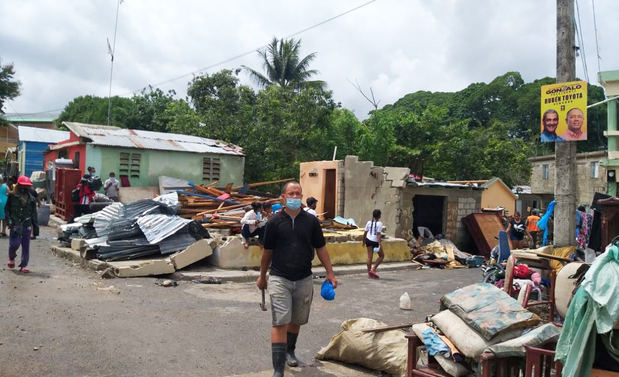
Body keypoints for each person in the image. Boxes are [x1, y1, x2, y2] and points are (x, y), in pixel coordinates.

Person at [256, 181, 336, 377]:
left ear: (301, 196)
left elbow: (321, 248)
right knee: (280, 322)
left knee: (296, 320)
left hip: (304, 278)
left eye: (297, 193)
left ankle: (290, 351)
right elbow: (267, 251)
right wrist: (262, 276)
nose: (294, 197)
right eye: (290, 194)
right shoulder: (274, 222)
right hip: (279, 277)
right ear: (283, 197)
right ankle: (278, 369)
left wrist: (330, 272)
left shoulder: (311, 221)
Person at [5, 176, 37, 273]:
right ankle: (12, 257)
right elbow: (7, 210)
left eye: (27, 186)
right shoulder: (12, 196)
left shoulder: (31, 199)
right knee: (14, 244)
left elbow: (34, 214)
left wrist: (35, 228)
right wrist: (9, 221)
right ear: (19, 185)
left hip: (26, 224)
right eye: (23, 185)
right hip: (15, 224)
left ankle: (23, 266)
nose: (25, 188)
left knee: (26, 246)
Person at [363, 209, 385, 279]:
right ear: (379, 216)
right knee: (381, 255)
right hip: (375, 241)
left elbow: (365, 232)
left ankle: (369, 273)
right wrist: (379, 243)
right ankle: (373, 268)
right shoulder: (380, 224)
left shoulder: (369, 222)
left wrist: (363, 241)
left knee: (369, 257)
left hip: (368, 240)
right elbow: (378, 234)